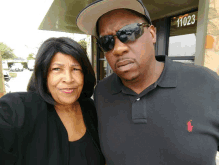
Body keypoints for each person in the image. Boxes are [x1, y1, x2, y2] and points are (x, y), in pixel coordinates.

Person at [76, 0, 219, 164]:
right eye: (106, 41)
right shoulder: (102, 93)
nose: (118, 48)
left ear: (152, 34)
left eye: (128, 33)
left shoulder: (206, 84)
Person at [0, 37, 105, 165]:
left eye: (75, 69)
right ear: (43, 75)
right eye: (57, 69)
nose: (68, 79)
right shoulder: (18, 108)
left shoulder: (90, 108)